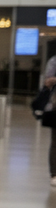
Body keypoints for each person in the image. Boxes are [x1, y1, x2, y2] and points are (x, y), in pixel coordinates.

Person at [43, 55, 56, 187]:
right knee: (55, 141)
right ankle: (54, 174)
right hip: (55, 106)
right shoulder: (54, 61)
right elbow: (47, 82)